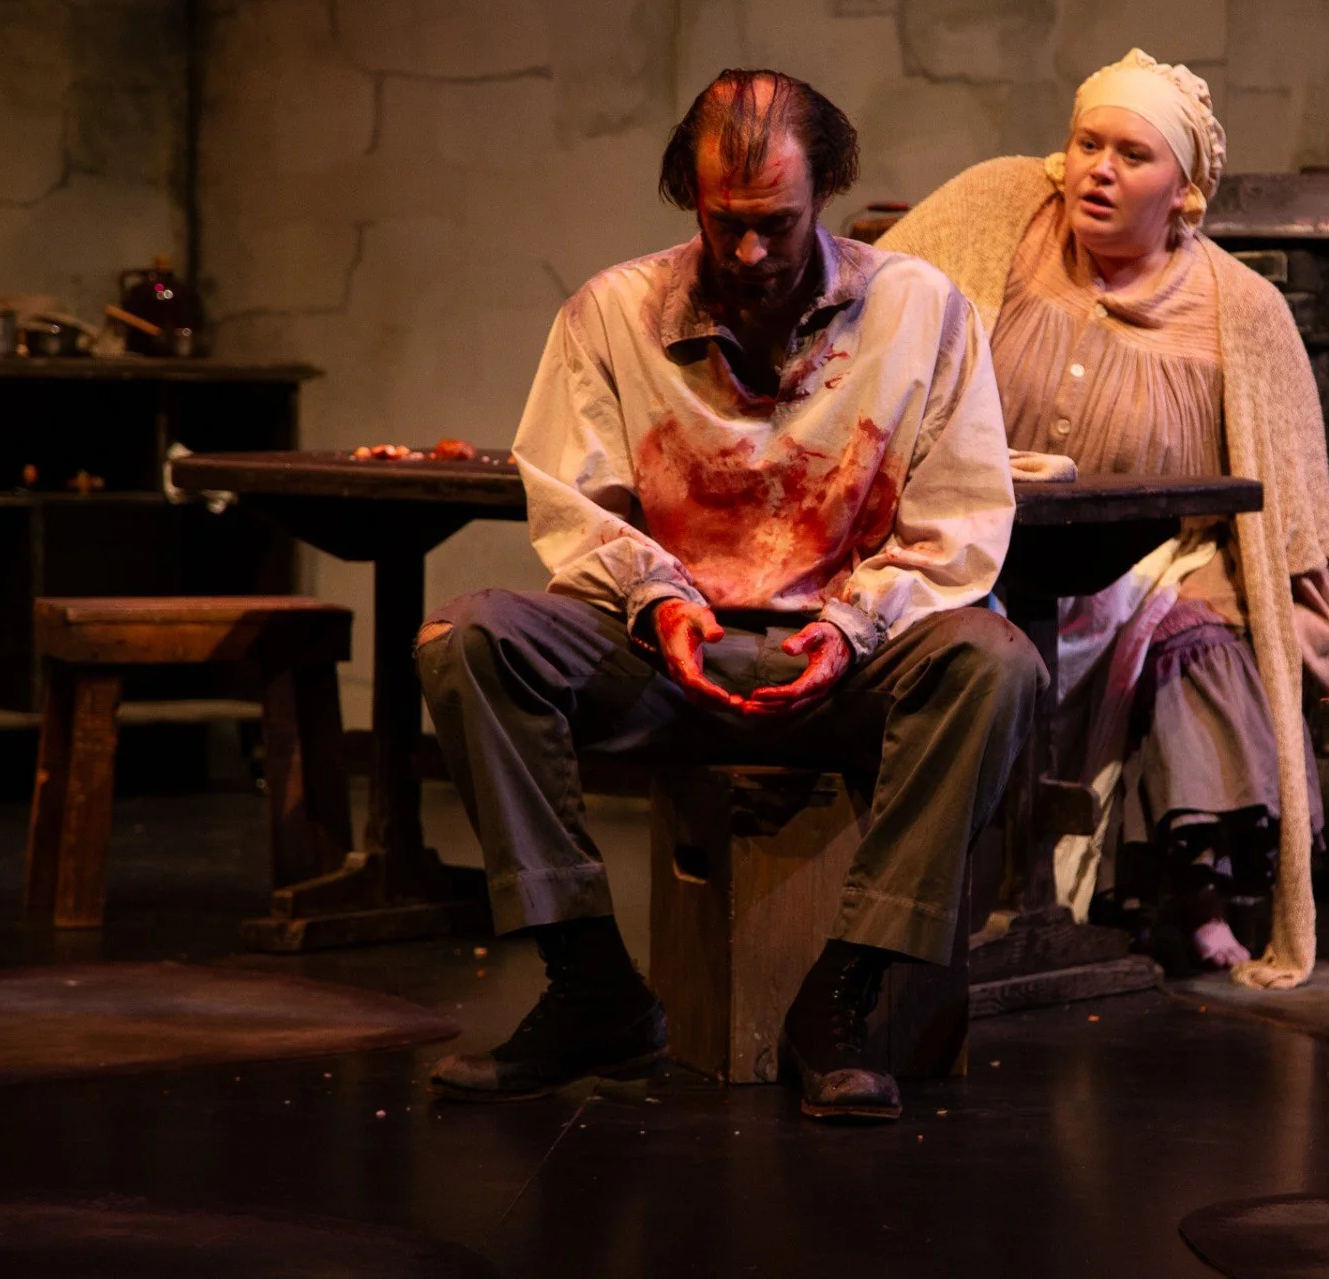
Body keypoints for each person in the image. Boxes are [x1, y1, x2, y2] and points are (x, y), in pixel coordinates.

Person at [416, 69, 1045, 1121]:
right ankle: (590, 985)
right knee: (466, 640)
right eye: (726, 223)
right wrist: (659, 600)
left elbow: (960, 523)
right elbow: (577, 509)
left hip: (848, 661)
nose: (750, 253)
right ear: (691, 201)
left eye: (776, 224)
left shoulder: (920, 311)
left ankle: (841, 998)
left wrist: (852, 625)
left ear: (826, 193)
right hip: (668, 656)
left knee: (998, 665)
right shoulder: (612, 315)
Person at [880, 49, 1329, 989]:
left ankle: (1187, 890)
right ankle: (930, 897)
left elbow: (1291, 502)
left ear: (1183, 191)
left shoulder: (1238, 311)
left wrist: (1296, 616)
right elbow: (865, 301)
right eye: (1086, 144)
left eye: (1132, 155)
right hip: (976, 541)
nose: (1098, 170)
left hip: (1147, 561)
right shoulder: (1003, 214)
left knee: (1199, 638)